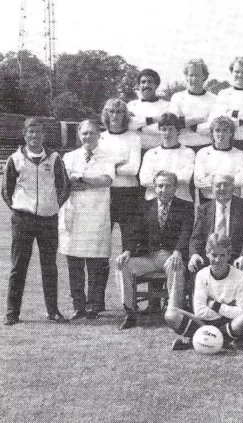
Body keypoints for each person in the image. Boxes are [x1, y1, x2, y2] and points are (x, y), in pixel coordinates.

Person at [2, 117, 70, 325]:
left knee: (49, 267)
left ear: (44, 135)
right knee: (18, 267)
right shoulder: (15, 159)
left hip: (48, 220)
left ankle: (52, 310)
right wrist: (19, 208)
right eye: (30, 132)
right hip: (23, 220)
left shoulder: (55, 157)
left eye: (38, 132)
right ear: (24, 134)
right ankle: (12, 313)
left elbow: (64, 187)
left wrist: (52, 206)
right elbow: (6, 191)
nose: (34, 136)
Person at [114, 171, 193, 330]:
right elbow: (135, 232)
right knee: (123, 265)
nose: (163, 190)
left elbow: (186, 233)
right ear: (155, 187)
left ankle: (173, 313)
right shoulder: (145, 206)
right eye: (160, 186)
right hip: (148, 257)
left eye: (168, 186)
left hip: (171, 256)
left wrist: (177, 252)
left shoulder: (186, 207)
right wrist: (127, 251)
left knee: (175, 266)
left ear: (176, 187)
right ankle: (130, 312)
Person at [59, 120, 115, 320]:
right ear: (79, 135)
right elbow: (64, 183)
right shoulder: (69, 157)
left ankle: (94, 305)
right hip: (74, 215)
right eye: (84, 134)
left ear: (99, 134)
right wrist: (91, 181)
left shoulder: (107, 157)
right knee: (74, 263)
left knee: (96, 264)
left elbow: (106, 180)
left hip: (97, 215)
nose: (88, 137)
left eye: (92, 133)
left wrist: (81, 178)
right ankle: (78, 306)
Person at [165, 233, 243, 351]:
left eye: (222, 255)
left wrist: (215, 305)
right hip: (204, 321)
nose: (218, 260)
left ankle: (196, 340)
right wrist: (226, 309)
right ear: (207, 254)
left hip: (227, 323)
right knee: (171, 314)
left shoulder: (240, 276)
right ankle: (223, 340)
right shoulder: (202, 275)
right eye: (214, 255)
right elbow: (199, 311)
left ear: (229, 255)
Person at [188, 173, 243, 276]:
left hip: (235, 256)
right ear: (212, 188)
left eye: (226, 185)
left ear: (233, 187)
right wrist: (194, 254)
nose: (222, 188)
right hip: (211, 256)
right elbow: (196, 237)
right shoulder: (204, 209)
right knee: (196, 265)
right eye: (218, 185)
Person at [99, 98, 143, 252]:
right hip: (105, 193)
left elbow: (133, 169)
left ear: (125, 115)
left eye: (119, 112)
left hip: (129, 194)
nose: (115, 115)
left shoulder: (134, 137)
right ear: (106, 114)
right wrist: (118, 163)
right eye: (111, 111)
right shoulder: (100, 138)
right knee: (102, 243)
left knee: (129, 244)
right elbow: (97, 167)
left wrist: (109, 165)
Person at [205, 56, 243, 157]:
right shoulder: (223, 94)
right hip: (229, 142)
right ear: (232, 72)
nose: (240, 75)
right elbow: (220, 120)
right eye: (236, 72)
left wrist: (233, 113)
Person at [139, 112, 195, 203]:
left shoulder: (188, 152)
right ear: (159, 131)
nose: (167, 133)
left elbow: (185, 178)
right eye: (164, 129)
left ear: (178, 131)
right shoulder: (151, 153)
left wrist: (158, 180)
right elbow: (144, 180)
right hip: (153, 201)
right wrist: (172, 181)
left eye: (171, 129)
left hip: (180, 201)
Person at [169, 58, 218, 151]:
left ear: (204, 76)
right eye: (191, 75)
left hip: (207, 148)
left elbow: (213, 127)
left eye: (197, 75)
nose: (194, 79)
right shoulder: (177, 97)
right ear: (186, 76)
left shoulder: (214, 99)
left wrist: (188, 123)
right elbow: (173, 123)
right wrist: (198, 119)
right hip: (182, 148)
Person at [194, 115, 243, 201]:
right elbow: (198, 182)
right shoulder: (202, 153)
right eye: (217, 130)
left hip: (232, 201)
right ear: (212, 133)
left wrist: (211, 177)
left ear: (231, 133)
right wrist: (229, 181)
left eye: (225, 130)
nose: (221, 134)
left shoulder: (240, 154)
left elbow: (240, 181)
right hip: (208, 201)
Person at [127, 68, 170, 151]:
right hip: (134, 151)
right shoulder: (131, 105)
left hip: (158, 151)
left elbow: (164, 129)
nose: (146, 85)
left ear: (156, 85)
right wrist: (154, 120)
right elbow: (127, 125)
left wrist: (139, 127)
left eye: (150, 82)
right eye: (143, 82)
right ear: (139, 85)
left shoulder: (166, 106)